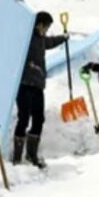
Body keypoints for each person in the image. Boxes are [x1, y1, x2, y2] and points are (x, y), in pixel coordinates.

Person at [14, 11, 68, 168]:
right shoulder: (27, 38)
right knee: (23, 118)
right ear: (39, 24)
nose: (47, 30)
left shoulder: (41, 39)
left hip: (37, 85)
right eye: (47, 26)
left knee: (39, 119)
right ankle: (17, 159)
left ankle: (31, 155)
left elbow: (49, 42)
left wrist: (63, 39)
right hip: (24, 84)